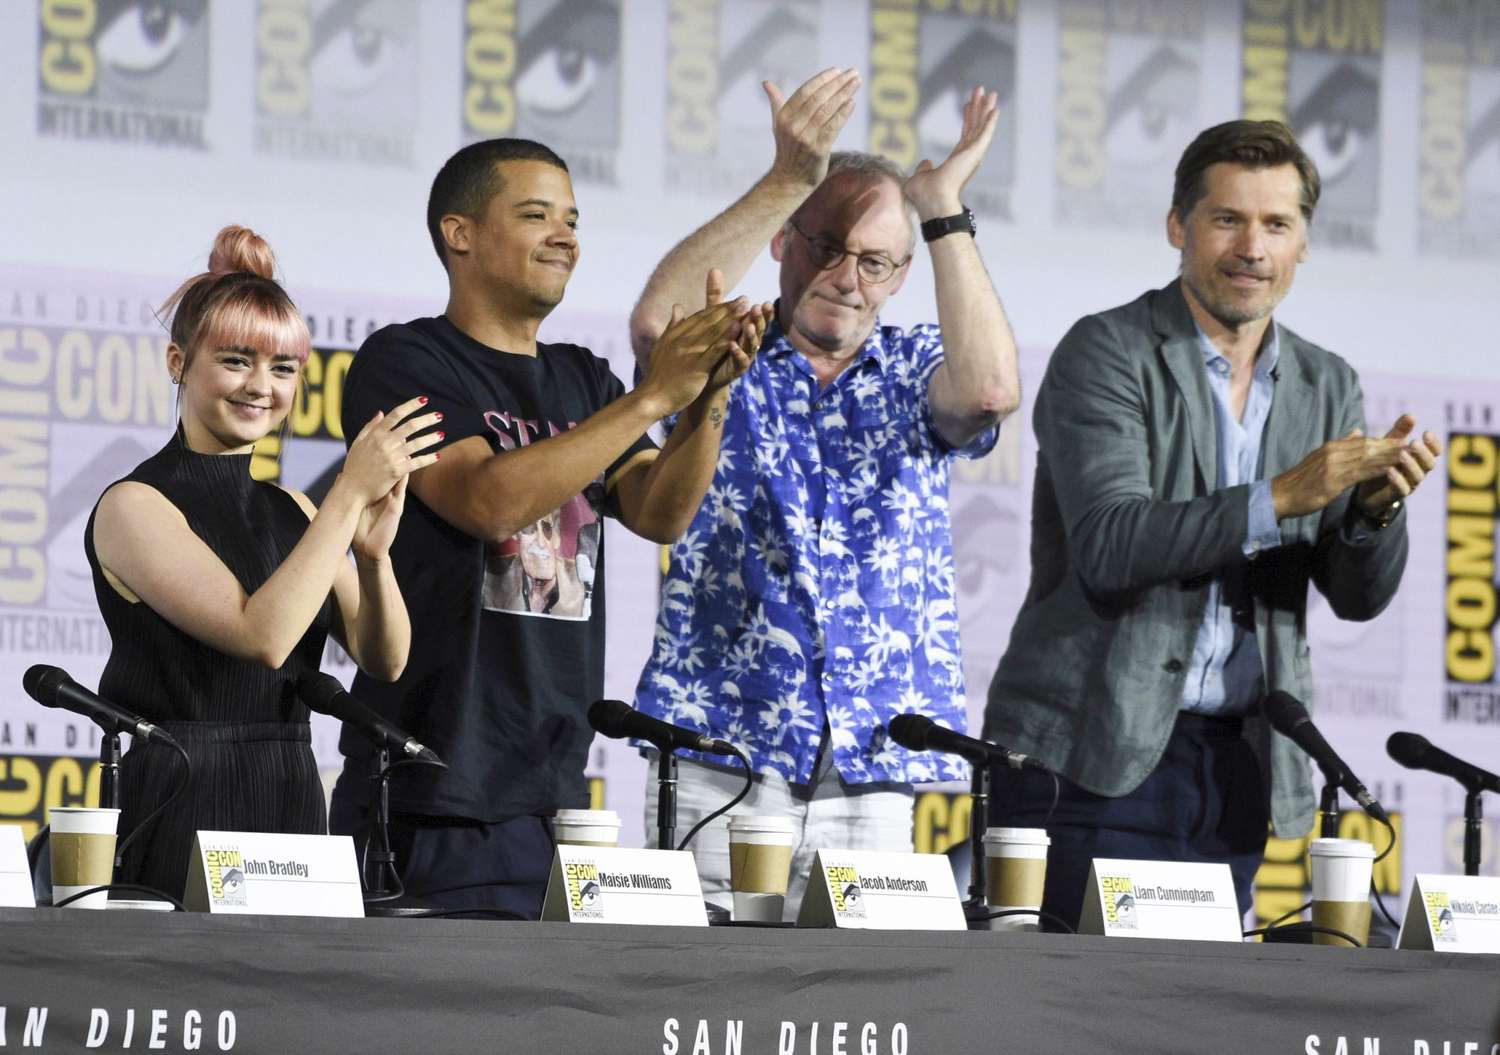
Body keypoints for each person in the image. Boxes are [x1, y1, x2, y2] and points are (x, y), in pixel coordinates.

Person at [984, 120, 1442, 930]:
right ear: (1178, 226)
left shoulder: (1326, 381)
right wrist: (1281, 497)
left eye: (1277, 225)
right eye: (1228, 219)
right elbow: (1111, 544)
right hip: (1090, 754)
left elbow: (1357, 598)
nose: (1252, 248)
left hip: (1237, 769)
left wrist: (1373, 514)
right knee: (1068, 1023)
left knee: (1188, 1023)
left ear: (1303, 243)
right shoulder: (1107, 351)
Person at [327, 138, 770, 917]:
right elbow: (485, 500)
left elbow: (661, 512)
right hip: (430, 789)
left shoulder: (584, 378)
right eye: (537, 215)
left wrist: (706, 397)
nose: (565, 235)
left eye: (572, 218)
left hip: (555, 795)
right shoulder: (404, 360)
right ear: (458, 233)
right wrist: (651, 398)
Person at [629, 69, 1022, 915]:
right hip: (721, 745)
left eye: (875, 260)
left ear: (902, 273)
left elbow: (989, 391)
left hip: (870, 766)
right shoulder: (727, 342)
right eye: (826, 245)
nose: (847, 275)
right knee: (699, 1002)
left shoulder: (919, 367)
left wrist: (941, 203)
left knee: (863, 1015)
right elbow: (656, 327)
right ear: (783, 241)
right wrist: (788, 178)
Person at [86, 225, 439, 899]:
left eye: (282, 368)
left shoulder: (294, 511)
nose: (261, 388)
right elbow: (264, 637)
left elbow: (385, 658)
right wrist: (347, 493)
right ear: (177, 362)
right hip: (182, 793)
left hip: (291, 790)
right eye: (237, 361)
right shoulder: (135, 504)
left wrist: (372, 557)